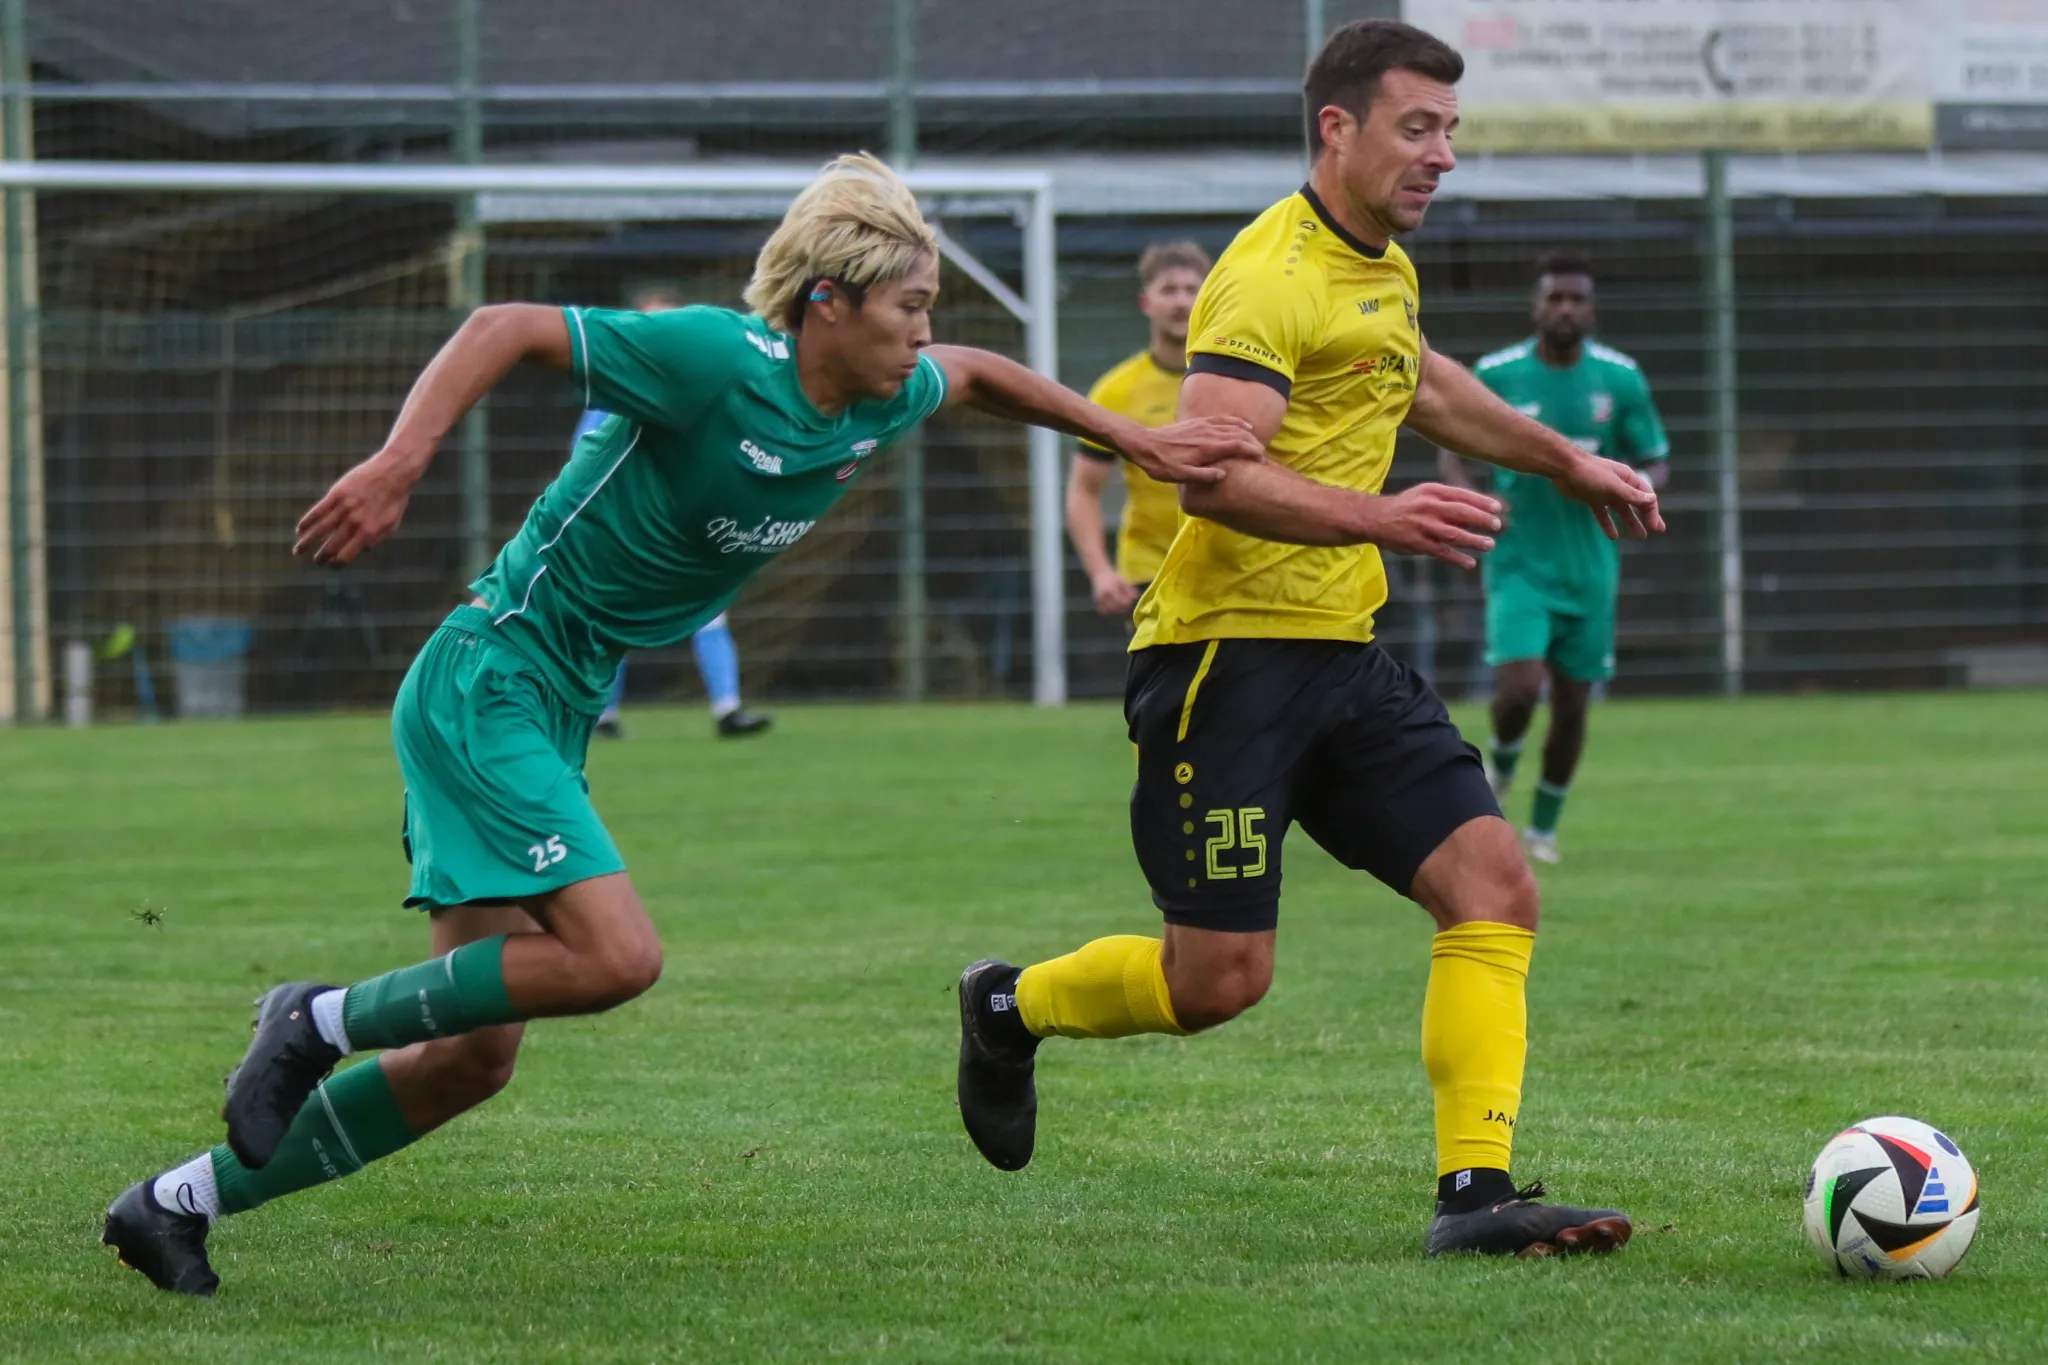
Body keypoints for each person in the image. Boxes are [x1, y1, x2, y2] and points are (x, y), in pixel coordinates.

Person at [101, 152, 1264, 1297]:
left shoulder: (882, 393)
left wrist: (1136, 442)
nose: (923, 331)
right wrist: (400, 462)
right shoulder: (713, 357)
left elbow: (975, 375)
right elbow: (502, 325)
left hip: (552, 703)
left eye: (927, 307)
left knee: (467, 1059)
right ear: (828, 301)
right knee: (617, 958)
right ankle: (314, 1017)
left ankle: (176, 1204)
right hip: (492, 675)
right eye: (907, 306)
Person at [952, 20, 1664, 1259]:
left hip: (1341, 654)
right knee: (1216, 981)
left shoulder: (1378, 262)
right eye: (1416, 128)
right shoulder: (1267, 275)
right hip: (1223, 661)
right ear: (1336, 128)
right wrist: (1381, 516)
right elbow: (1212, 475)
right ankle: (1009, 1007)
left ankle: (1476, 1196)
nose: (1442, 155)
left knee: (1493, 885)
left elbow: (1420, 380)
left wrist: (1564, 459)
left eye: (1450, 130)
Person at [1436, 255, 1671, 865]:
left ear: (1592, 309)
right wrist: (1475, 495)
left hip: (1590, 565)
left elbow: (1655, 457)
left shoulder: (1620, 379)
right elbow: (1449, 443)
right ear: (1535, 306)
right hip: (1518, 562)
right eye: (1555, 298)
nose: (1565, 309)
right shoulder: (1497, 373)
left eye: (1577, 299)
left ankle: (1542, 830)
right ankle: (1501, 765)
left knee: (1571, 703)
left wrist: (1637, 487)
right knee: (1520, 688)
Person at [587, 286, 772, 741]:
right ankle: (600, 713)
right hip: (629, 523)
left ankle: (728, 709)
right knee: (611, 614)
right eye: (651, 323)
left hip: (689, 521)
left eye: (669, 323)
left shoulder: (706, 387)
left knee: (709, 610)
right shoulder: (616, 388)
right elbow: (585, 456)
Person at [1065, 241, 1210, 617]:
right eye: (1168, 290)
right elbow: (1083, 489)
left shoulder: (1238, 382)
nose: (1181, 302)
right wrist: (1100, 573)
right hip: (1150, 574)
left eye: (1191, 290)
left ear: (1209, 299)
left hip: (1233, 574)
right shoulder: (1116, 392)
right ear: (1146, 302)